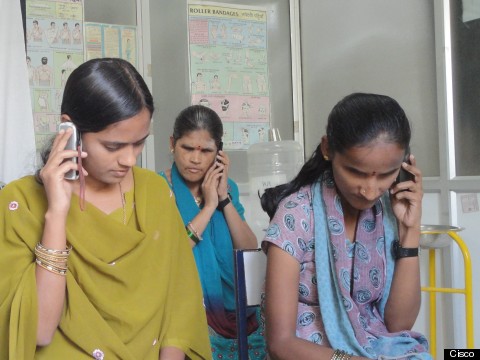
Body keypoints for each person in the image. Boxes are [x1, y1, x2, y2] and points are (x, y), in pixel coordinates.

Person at [0, 58, 211, 360]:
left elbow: (180, 309)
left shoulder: (153, 192)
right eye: (113, 147)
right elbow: (39, 331)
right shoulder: (21, 202)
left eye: (139, 144)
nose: (129, 159)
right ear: (69, 129)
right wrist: (56, 213)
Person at [261, 93, 432, 360]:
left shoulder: (387, 211)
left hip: (375, 349)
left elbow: (399, 326)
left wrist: (410, 230)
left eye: (386, 174)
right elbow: (280, 343)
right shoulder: (296, 215)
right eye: (356, 172)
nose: (370, 190)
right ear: (328, 148)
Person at [160, 105, 266, 359]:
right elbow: (173, 252)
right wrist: (208, 207)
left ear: (219, 153)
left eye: (206, 151)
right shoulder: (159, 189)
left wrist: (223, 199)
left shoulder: (227, 189)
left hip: (238, 315)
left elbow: (248, 250)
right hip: (185, 314)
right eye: (187, 148)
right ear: (173, 143)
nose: (195, 159)